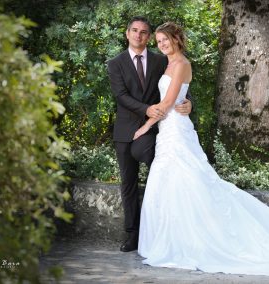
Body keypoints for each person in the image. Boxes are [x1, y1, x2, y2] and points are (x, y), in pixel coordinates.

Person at [133, 22, 269, 276]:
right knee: (170, 181)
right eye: (158, 41)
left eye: (165, 40)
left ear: (177, 39)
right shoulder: (166, 64)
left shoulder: (181, 64)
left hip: (175, 132)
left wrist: (146, 126)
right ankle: (170, 239)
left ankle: (193, 241)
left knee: (189, 180)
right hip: (168, 132)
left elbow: (169, 102)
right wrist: (185, 104)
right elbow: (178, 96)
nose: (162, 44)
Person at [107, 16, 192, 253]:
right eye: (134, 31)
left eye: (144, 32)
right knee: (129, 184)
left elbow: (176, 89)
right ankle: (133, 235)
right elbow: (121, 96)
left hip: (156, 129)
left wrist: (189, 104)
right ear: (127, 34)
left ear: (148, 37)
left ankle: (165, 230)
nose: (138, 35)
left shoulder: (160, 60)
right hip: (125, 130)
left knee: (163, 176)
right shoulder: (116, 63)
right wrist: (145, 110)